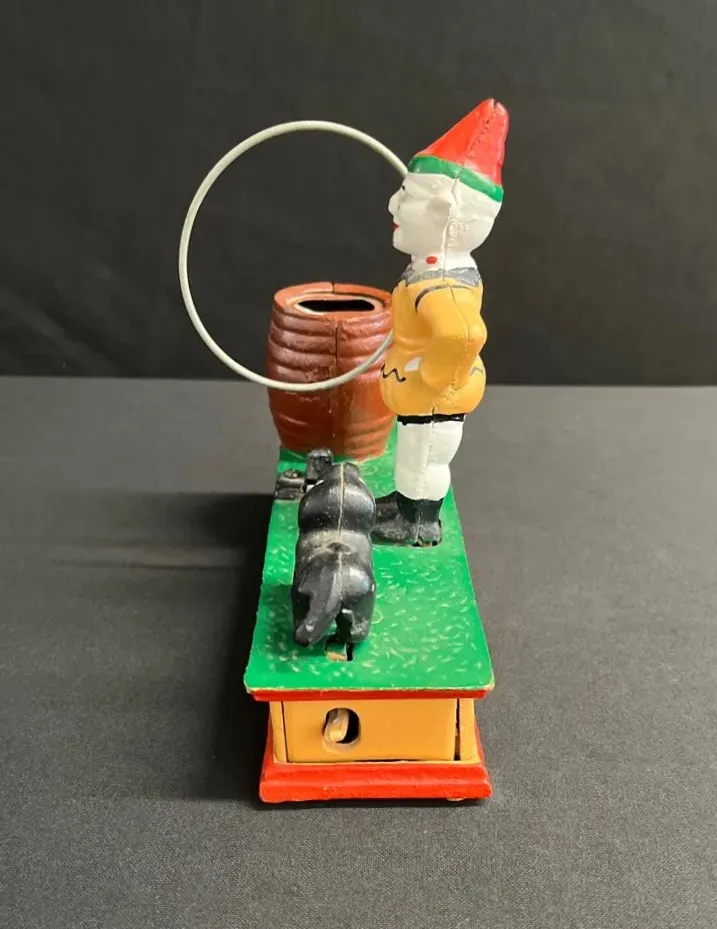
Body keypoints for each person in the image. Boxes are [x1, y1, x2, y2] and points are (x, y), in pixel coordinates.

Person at [372, 99, 510, 545]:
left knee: (425, 457)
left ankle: (419, 523)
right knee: (413, 453)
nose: (393, 204)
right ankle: (405, 503)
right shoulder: (432, 270)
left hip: (433, 398)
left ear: (444, 211)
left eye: (408, 196)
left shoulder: (444, 285)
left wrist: (431, 377)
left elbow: (462, 332)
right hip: (419, 395)